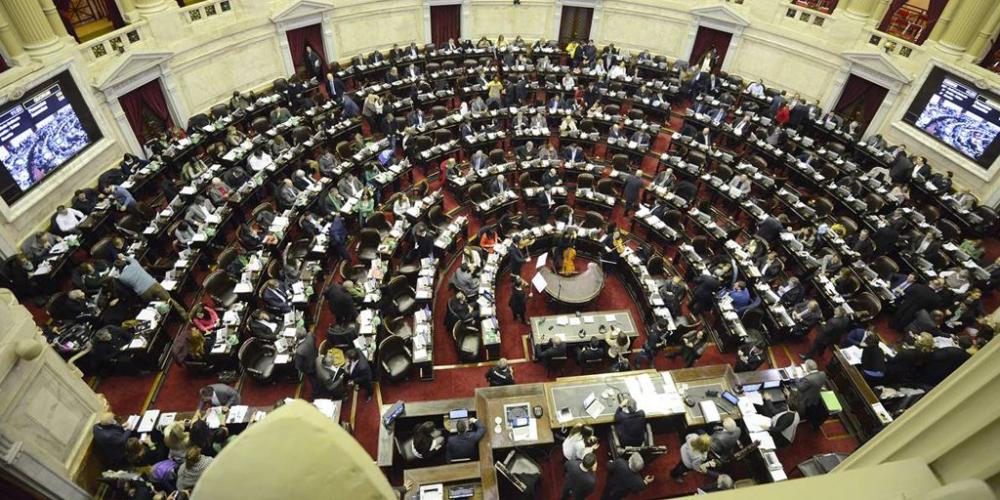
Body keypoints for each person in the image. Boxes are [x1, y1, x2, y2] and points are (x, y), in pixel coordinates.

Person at [116, 255, 188, 318]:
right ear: (124, 262)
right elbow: (131, 259)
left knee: (157, 306)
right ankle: (184, 316)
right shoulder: (134, 264)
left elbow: (130, 286)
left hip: (144, 293)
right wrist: (124, 256)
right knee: (169, 300)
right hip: (153, 285)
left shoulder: (121, 278)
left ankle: (169, 318)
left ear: (118, 269)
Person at [793, 359, 829, 429]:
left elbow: (800, 387)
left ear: (808, 368)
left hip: (806, 398)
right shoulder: (823, 373)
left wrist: (795, 377)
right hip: (815, 396)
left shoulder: (808, 379)